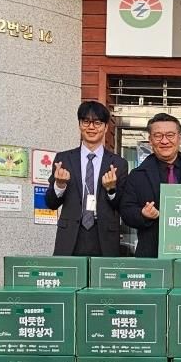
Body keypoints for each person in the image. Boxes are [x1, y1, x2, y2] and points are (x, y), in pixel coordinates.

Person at [121, 112, 181, 257]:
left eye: (170, 135)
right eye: (158, 136)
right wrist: (143, 214)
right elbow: (126, 212)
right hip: (151, 254)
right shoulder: (137, 175)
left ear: (179, 138)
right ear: (150, 140)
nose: (164, 141)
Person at [45, 100, 128, 256]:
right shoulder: (64, 159)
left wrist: (111, 189)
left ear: (106, 127)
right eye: (86, 122)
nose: (91, 127)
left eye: (97, 123)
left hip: (104, 236)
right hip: (70, 235)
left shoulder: (118, 163)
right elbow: (51, 203)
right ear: (79, 125)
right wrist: (60, 185)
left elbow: (123, 206)